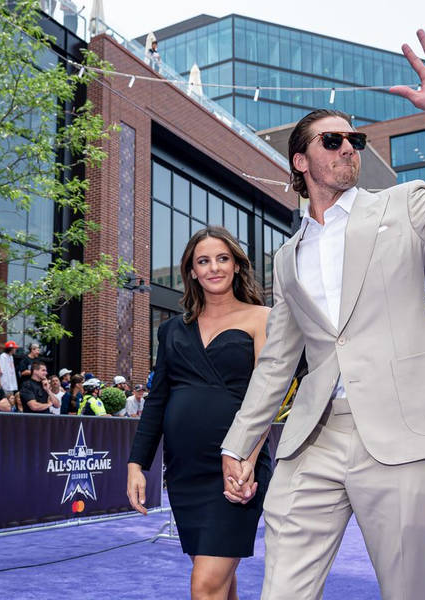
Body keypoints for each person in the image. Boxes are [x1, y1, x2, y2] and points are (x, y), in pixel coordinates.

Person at [217, 26, 425, 600]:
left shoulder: (405, 206)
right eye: (332, 141)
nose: (348, 149)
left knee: (406, 591)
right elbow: (279, 362)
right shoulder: (287, 258)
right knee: (281, 588)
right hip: (315, 439)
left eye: (353, 140)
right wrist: (242, 442)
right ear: (301, 159)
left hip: (403, 435)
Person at [128, 226, 274, 600]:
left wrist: (247, 460)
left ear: (237, 266)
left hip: (236, 466)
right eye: (203, 261)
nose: (214, 268)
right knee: (219, 581)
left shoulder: (263, 318)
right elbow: (157, 400)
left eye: (222, 259)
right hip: (185, 472)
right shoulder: (173, 330)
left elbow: (266, 397)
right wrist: (136, 464)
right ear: (191, 271)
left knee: (205, 584)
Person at [0, 341, 19, 409]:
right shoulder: (3, 356)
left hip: (10, 386)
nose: (15, 349)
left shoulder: (11, 357)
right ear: (10, 348)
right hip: (5, 385)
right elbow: (0, 371)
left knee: (11, 404)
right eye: (14, 348)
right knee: (5, 404)